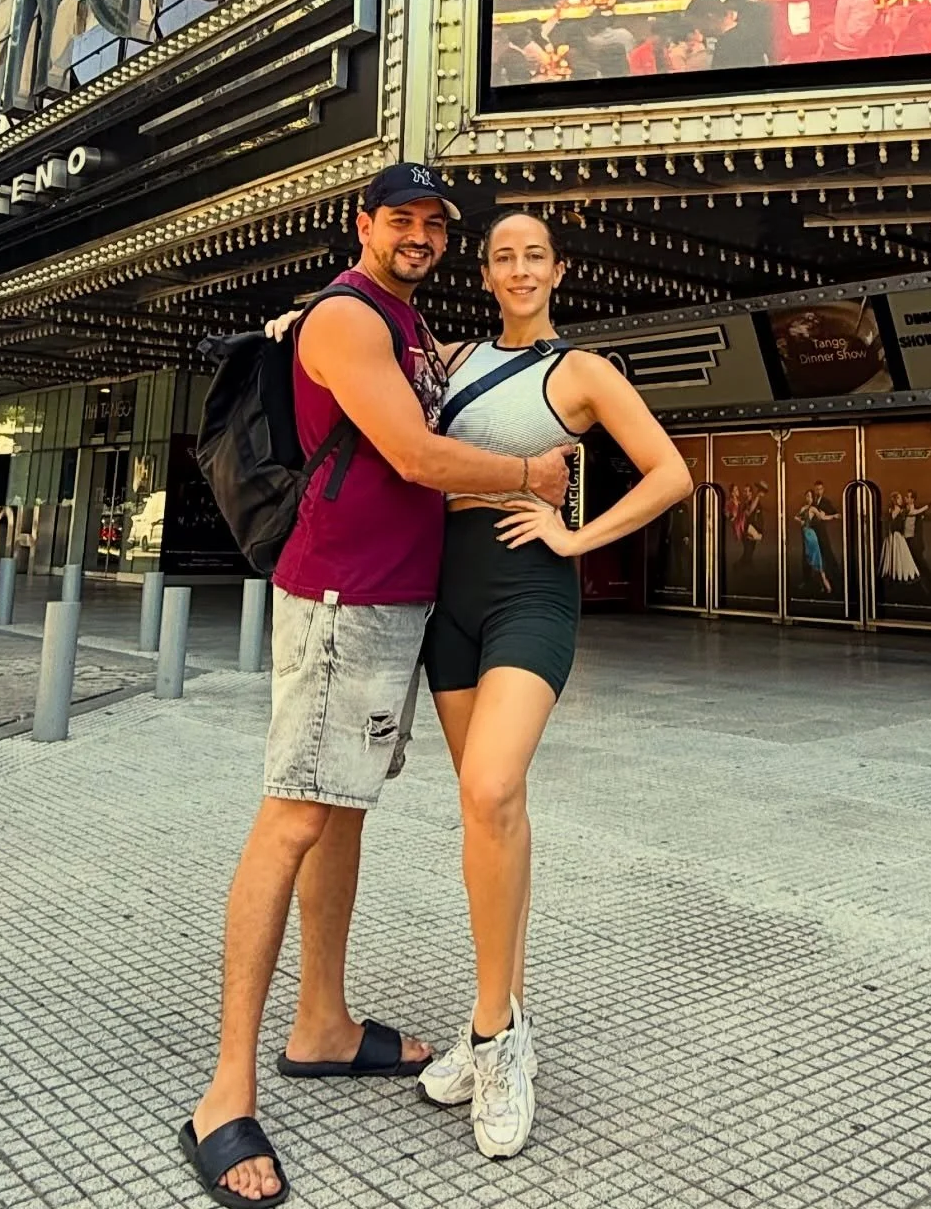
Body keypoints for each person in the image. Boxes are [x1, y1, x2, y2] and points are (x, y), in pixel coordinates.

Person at [182, 167, 574, 1208]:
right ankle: (223, 1094)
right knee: (294, 817)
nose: (418, 235)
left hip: (395, 602)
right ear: (361, 224)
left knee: (340, 808)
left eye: (434, 224)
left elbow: (431, 389)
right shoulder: (352, 319)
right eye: (398, 218)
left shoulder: (403, 327)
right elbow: (410, 453)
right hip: (343, 600)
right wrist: (531, 478)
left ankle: (323, 1024)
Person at [416, 211, 692, 1159]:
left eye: (537, 255)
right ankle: (503, 1019)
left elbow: (671, 473)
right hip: (443, 597)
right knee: (487, 812)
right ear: (486, 275)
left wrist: (576, 536)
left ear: (558, 270)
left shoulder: (582, 371)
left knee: (492, 787)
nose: (521, 269)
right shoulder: (447, 362)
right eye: (505, 257)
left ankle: (495, 1039)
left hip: (530, 593)